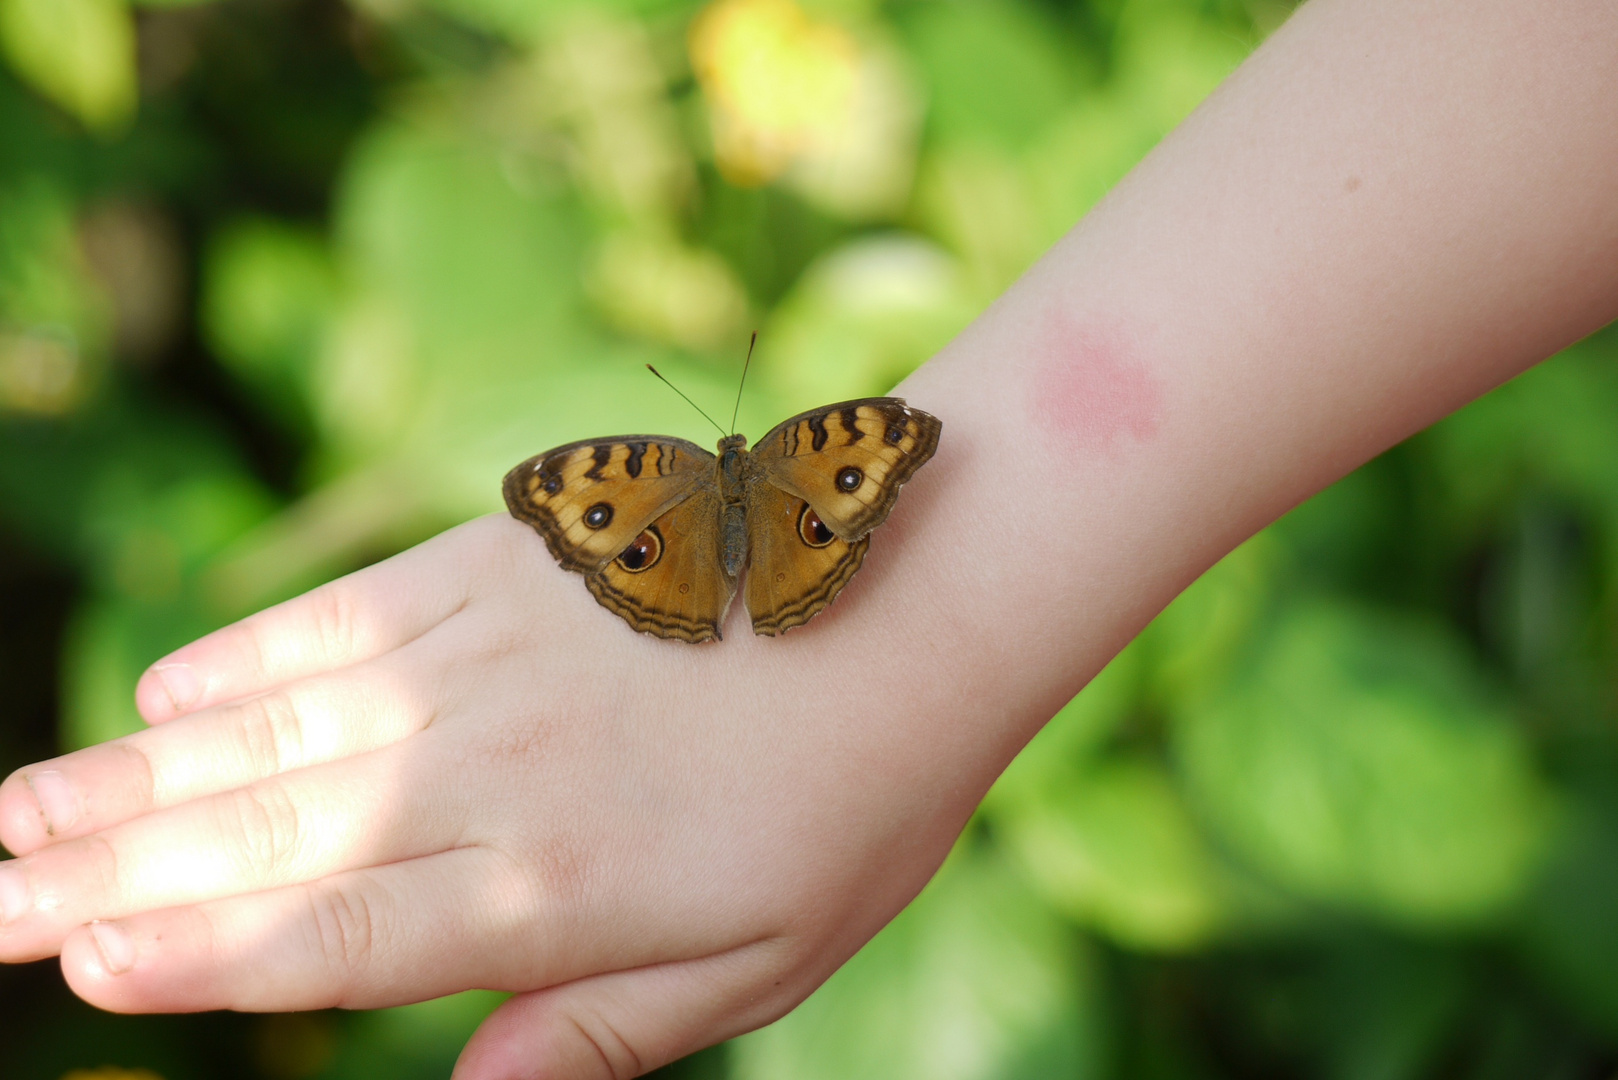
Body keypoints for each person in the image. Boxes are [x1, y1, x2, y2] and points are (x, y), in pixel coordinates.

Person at [0, 0, 1614, 1076]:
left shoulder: (672, 471)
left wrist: (959, 616)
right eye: (595, 504)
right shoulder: (794, 459)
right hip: (796, 547)